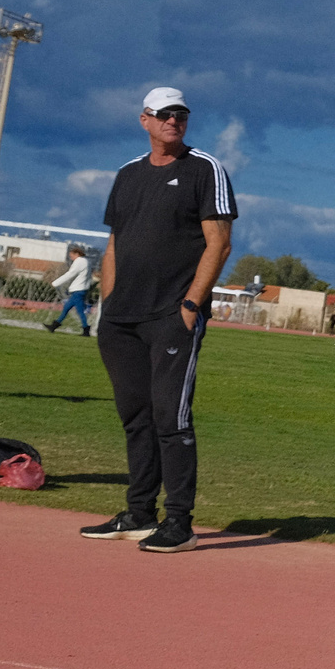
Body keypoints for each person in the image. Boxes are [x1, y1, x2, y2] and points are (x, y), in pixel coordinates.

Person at [79, 88, 235, 553]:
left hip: (172, 315)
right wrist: (108, 307)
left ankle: (180, 521)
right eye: (165, 114)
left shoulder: (204, 169)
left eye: (181, 115)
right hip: (122, 318)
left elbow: (219, 243)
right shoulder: (127, 175)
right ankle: (139, 514)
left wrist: (190, 306)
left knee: (172, 417)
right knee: (136, 417)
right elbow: (114, 245)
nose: (174, 121)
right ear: (144, 119)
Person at [42, 245, 97, 333]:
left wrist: (55, 283)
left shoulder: (80, 261)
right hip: (80, 290)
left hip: (78, 290)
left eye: (72, 255)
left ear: (77, 254)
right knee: (66, 308)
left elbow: (70, 274)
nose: (71, 257)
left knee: (80, 311)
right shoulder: (86, 261)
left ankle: (86, 329)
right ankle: (54, 326)